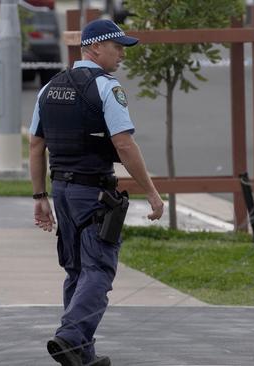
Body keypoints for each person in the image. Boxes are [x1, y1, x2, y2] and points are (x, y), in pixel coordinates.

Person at [29, 18, 164, 366]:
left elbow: (35, 145)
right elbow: (124, 144)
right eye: (116, 47)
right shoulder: (106, 88)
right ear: (94, 48)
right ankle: (70, 336)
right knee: (99, 269)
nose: (121, 54)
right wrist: (151, 192)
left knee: (76, 270)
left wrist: (39, 197)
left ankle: (83, 356)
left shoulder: (49, 88)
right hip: (92, 193)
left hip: (60, 190)